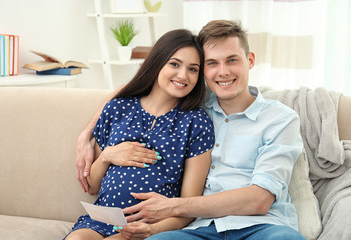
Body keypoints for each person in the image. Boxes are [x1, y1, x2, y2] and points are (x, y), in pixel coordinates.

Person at [76, 20, 306, 240]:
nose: (223, 72)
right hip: (200, 229)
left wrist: (171, 206)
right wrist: (87, 133)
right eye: (212, 63)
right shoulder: (196, 102)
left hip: (262, 227)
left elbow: (259, 200)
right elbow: (134, 88)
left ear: (250, 60)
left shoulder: (280, 120)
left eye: (232, 60)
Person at [65, 29, 214, 240]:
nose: (183, 75)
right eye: (174, 64)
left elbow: (189, 205)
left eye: (193, 69)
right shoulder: (117, 108)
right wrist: (108, 155)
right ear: (157, 62)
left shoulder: (196, 122)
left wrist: (152, 230)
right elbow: (92, 187)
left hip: (149, 227)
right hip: (102, 219)